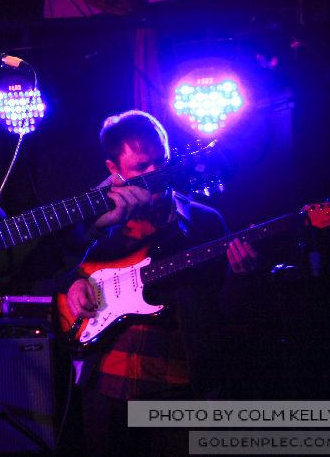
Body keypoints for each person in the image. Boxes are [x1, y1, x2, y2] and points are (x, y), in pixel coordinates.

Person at [62, 110, 256, 456]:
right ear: (114, 169)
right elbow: (60, 277)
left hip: (176, 384)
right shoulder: (99, 227)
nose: (155, 174)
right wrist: (73, 287)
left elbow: (227, 313)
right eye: (141, 168)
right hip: (106, 383)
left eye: (161, 162)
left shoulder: (204, 222)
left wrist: (241, 277)